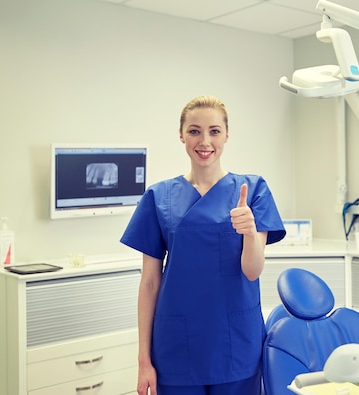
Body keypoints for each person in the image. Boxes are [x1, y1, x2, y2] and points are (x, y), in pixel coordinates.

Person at [120, 95, 286, 395]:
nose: (205, 140)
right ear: (182, 135)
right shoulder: (159, 197)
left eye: (214, 131)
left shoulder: (253, 190)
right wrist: (144, 359)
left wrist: (249, 231)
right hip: (176, 344)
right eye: (194, 131)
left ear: (226, 135)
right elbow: (149, 283)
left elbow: (252, 270)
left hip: (235, 341)